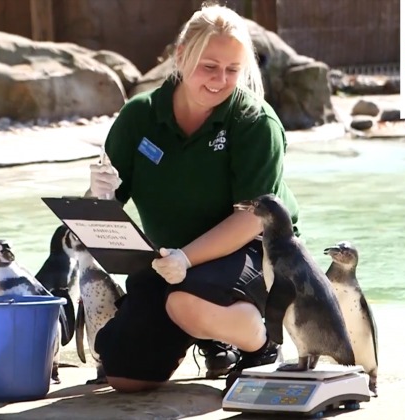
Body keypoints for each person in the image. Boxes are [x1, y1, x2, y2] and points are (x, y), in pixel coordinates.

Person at [85, 3, 300, 393]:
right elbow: (107, 211)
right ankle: (207, 336)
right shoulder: (139, 116)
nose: (220, 80)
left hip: (251, 252)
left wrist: (187, 259)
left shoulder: (255, 122)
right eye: (209, 66)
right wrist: (97, 196)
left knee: (185, 303)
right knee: (124, 375)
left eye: (232, 70)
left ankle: (262, 343)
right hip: (168, 258)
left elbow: (254, 218)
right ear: (181, 56)